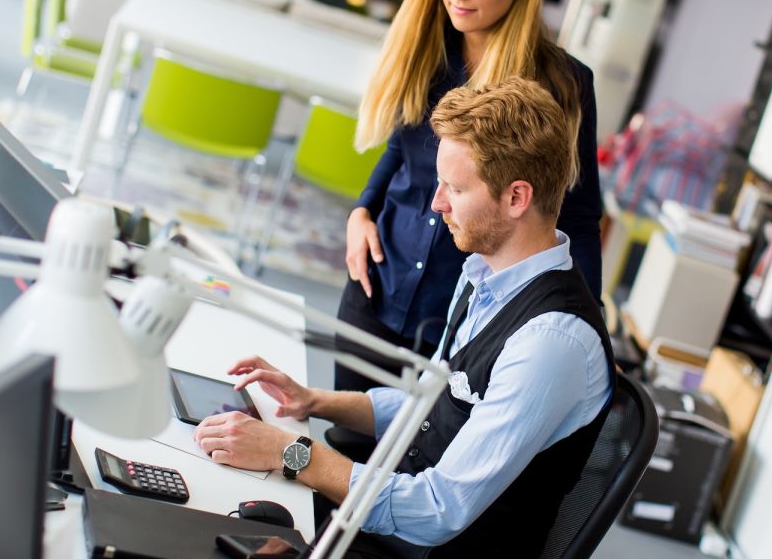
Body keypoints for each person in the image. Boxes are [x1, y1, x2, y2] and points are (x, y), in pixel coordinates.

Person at [194, 77, 615, 558]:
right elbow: (432, 405)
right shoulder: (484, 273)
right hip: (385, 532)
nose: (436, 204)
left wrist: (288, 453)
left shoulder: (551, 344)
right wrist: (315, 402)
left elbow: (438, 508)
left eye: (455, 188)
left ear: (517, 197)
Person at [337, 0, 603, 395]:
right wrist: (361, 211)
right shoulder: (425, 47)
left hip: (469, 330)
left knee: (418, 469)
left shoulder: (563, 85)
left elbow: (580, 217)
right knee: (337, 454)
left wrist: (586, 327)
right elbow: (401, 150)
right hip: (375, 292)